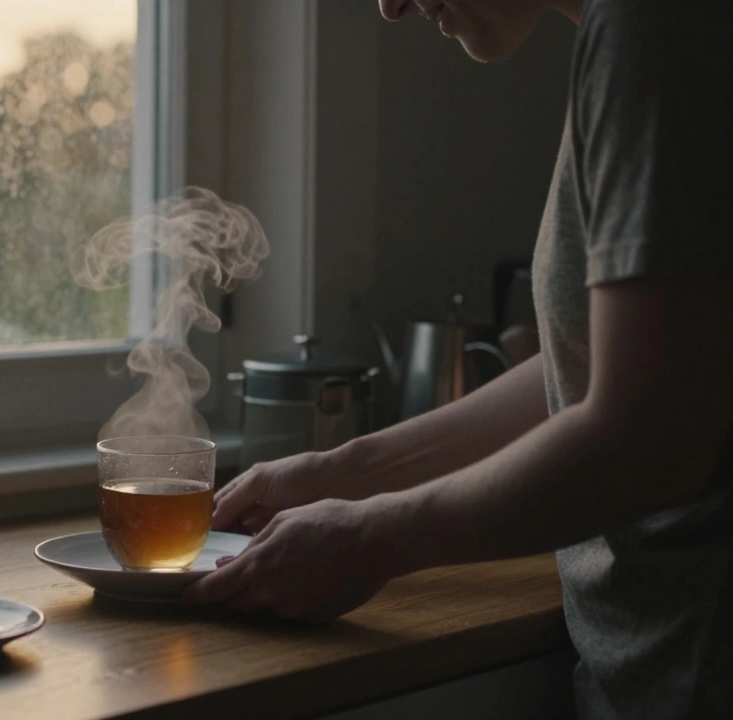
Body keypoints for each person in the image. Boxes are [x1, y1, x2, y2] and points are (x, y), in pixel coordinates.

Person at [185, 1, 733, 717]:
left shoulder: (656, 28)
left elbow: (651, 436)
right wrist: (344, 472)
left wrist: (372, 539)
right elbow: (595, 369)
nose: (390, 6)